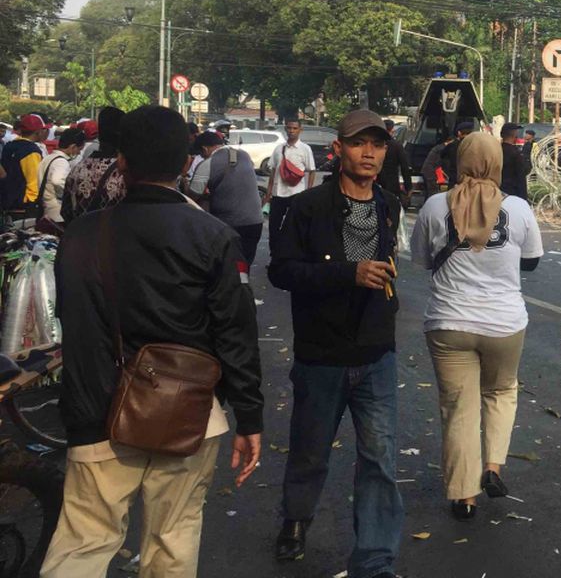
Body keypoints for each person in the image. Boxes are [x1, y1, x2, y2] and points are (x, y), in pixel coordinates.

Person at [41, 105, 263, 578]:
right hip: (186, 415)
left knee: (81, 545)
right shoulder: (214, 236)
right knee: (172, 541)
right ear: (186, 164)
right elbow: (235, 334)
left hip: (95, 412)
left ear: (122, 160)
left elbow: (73, 320)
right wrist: (250, 415)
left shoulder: (79, 236)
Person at [267, 109, 404, 576]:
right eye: (359, 143)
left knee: (380, 458)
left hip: (376, 352)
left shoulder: (388, 204)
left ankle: (375, 558)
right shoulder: (306, 208)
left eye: (378, 145)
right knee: (310, 449)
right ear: (338, 150)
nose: (369, 153)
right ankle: (296, 519)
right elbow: (281, 271)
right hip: (322, 353)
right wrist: (349, 274)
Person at [410, 132, 543, 520]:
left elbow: (420, 260)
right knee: (501, 392)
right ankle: (492, 468)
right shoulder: (517, 208)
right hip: (504, 324)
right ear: (498, 162)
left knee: (458, 409)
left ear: (460, 161)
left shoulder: (436, 206)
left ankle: (463, 497)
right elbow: (532, 261)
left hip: (448, 323)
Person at [189, 131, 266, 266]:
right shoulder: (244, 155)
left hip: (231, 224)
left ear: (204, 149)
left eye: (202, 154)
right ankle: (243, 283)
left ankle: (233, 285)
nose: (202, 157)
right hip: (255, 222)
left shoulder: (208, 163)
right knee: (244, 264)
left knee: (227, 266)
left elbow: (193, 195)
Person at [62, 107, 127, 225]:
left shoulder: (78, 169)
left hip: (81, 239)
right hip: (113, 240)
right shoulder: (125, 172)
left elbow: (66, 212)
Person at [265, 119, 317, 248]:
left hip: (297, 194)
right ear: (285, 129)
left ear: (300, 130)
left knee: (294, 227)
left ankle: (292, 257)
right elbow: (273, 171)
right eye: (289, 128)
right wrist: (268, 193)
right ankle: (274, 257)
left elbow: (312, 171)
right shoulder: (278, 148)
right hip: (278, 194)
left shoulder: (305, 149)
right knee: (273, 227)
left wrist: (308, 193)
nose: (291, 131)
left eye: (295, 128)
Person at [35, 127, 85, 233]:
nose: (79, 153)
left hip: (46, 210)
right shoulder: (61, 162)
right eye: (79, 149)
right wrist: (71, 195)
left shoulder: (48, 158)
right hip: (57, 213)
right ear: (73, 147)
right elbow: (58, 181)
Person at [0, 114, 47, 217]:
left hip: (7, 200)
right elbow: (33, 181)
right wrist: (34, 205)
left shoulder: (9, 145)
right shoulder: (31, 151)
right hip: (24, 205)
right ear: (38, 131)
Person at [379, 120, 413, 207]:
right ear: (391, 130)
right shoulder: (396, 146)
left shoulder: (376, 144)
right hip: (392, 185)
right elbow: (404, 167)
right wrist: (408, 187)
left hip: (376, 183)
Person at [499, 123, 531, 200]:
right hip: (513, 192)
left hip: (499, 191)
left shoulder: (497, 150)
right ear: (514, 134)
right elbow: (522, 173)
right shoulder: (515, 153)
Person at [441, 120, 476, 189]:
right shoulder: (475, 146)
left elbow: (442, 156)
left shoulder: (452, 145)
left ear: (459, 133)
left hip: (454, 180)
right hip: (470, 183)